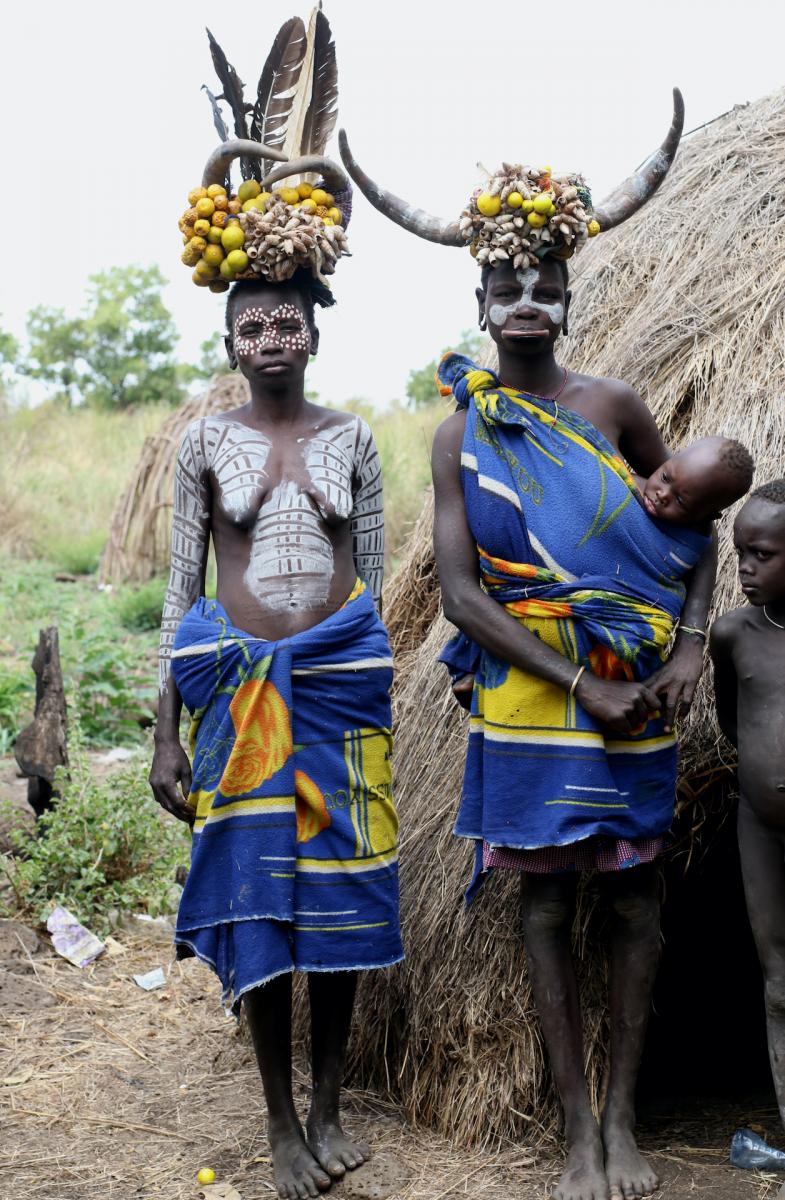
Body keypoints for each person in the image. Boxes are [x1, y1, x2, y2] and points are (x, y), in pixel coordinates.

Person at [340, 94, 718, 1200]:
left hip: (635, 691)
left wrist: (685, 648)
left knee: (638, 898)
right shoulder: (460, 432)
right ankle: (571, 1136)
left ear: (567, 291)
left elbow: (690, 528)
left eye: (543, 282)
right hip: (525, 698)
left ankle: (621, 1121)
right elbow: (458, 595)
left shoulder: (612, 408)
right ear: (479, 298)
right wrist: (572, 685)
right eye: (502, 284)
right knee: (545, 903)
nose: (523, 299)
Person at [151, 23, 402, 1200]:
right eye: (251, 323)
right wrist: (165, 727)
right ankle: (275, 1123)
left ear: (314, 323)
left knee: (342, 902)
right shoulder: (204, 442)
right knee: (258, 902)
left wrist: (370, 677)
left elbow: (377, 573)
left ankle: (330, 1099)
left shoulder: (351, 439)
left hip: (341, 686)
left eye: (288, 318)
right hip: (240, 688)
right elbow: (181, 586)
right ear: (228, 336)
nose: (272, 336)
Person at [448, 435, 754, 704]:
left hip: (619, 633)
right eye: (665, 477)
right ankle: (472, 658)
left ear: (709, 515)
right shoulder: (621, 484)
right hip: (548, 593)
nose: (661, 494)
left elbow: (673, 573)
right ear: (666, 460)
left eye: (681, 500)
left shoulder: (691, 539)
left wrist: (689, 637)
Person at [711, 480, 785, 1200]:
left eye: (761, 554)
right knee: (778, 980)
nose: (745, 568)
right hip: (760, 829)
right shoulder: (734, 636)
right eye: (739, 554)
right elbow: (734, 725)